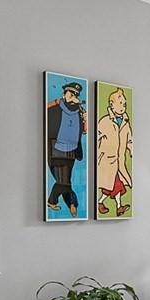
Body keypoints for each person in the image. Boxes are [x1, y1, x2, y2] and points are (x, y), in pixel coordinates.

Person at [46, 82, 86, 216]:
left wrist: (85, 118)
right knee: (63, 181)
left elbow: (84, 131)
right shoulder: (55, 109)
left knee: (65, 181)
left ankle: (56, 202)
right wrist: (56, 102)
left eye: (76, 94)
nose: (74, 96)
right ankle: (70, 204)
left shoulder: (79, 113)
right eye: (71, 93)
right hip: (56, 149)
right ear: (64, 95)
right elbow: (42, 110)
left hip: (72, 151)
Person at [96, 87, 133, 216]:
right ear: (111, 105)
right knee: (114, 185)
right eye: (120, 104)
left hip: (120, 161)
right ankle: (116, 206)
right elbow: (95, 138)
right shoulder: (104, 121)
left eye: (124, 104)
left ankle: (110, 204)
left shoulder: (126, 123)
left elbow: (130, 140)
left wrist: (131, 150)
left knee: (115, 185)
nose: (122, 107)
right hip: (107, 161)